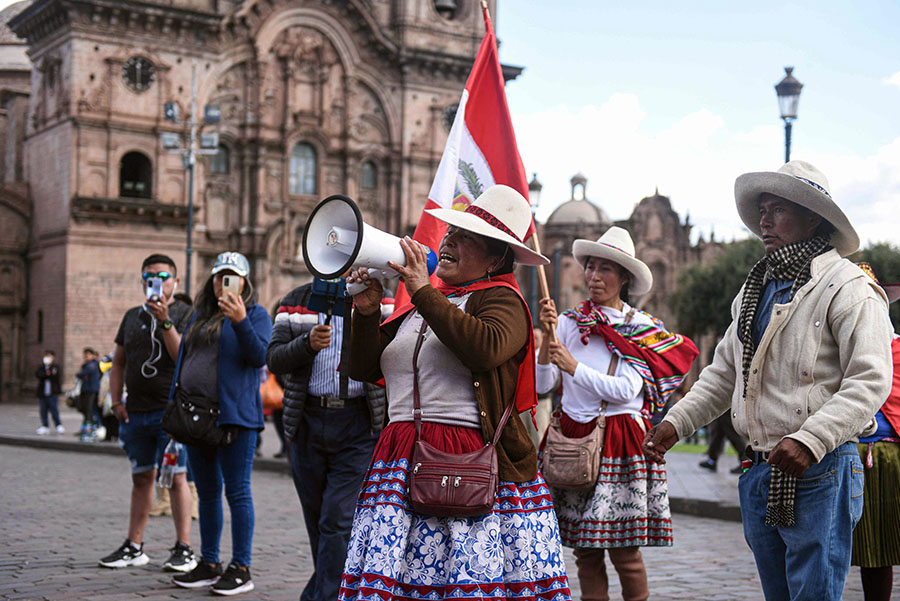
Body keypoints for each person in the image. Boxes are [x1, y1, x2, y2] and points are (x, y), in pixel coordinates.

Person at [642, 161, 893, 601]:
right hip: (761, 468)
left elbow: (869, 381)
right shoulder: (755, 288)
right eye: (762, 210)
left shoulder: (848, 286)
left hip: (820, 467)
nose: (764, 221)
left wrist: (811, 440)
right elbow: (724, 372)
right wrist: (677, 422)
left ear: (813, 218)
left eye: (778, 209)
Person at [340, 185, 571, 601]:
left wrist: (422, 290)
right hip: (399, 454)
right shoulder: (426, 304)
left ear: (495, 259)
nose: (447, 241)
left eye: (465, 237)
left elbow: (482, 348)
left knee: (461, 578)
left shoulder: (504, 302)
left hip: (464, 455)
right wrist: (368, 311)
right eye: (450, 232)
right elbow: (364, 368)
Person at [537, 226, 697, 601]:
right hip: (571, 440)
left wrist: (573, 366)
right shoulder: (568, 322)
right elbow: (544, 384)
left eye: (605, 269)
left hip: (619, 440)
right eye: (590, 267)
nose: (594, 276)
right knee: (584, 550)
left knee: (625, 551)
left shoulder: (641, 329)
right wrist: (546, 341)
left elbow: (627, 390)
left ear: (624, 277)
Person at [266, 278, 386, 601]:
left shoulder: (379, 299)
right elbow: (274, 358)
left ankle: (325, 595)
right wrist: (306, 345)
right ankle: (327, 589)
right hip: (307, 420)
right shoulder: (294, 301)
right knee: (317, 518)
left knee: (337, 519)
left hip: (358, 423)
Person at [171, 251, 272, 596]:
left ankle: (241, 567)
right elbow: (185, 359)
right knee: (208, 493)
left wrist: (241, 321)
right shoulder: (199, 315)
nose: (222, 282)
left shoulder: (256, 314)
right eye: (219, 276)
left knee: (237, 492)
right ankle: (209, 562)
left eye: (231, 276)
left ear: (244, 283)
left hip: (235, 418)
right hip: (196, 416)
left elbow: (259, 357)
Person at [99, 254, 196, 572]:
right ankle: (134, 545)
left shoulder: (185, 313)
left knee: (177, 478)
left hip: (170, 414)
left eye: (164, 276)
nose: (157, 281)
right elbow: (119, 361)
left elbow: (182, 356)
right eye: (151, 275)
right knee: (141, 477)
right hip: (135, 412)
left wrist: (165, 320)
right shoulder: (131, 316)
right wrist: (116, 401)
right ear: (142, 281)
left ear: (176, 282)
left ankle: (184, 548)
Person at [851, 268, 900, 601]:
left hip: (889, 455)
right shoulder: (836, 350)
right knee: (868, 548)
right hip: (848, 454)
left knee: (883, 546)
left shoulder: (896, 347)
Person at [35, 350, 64, 435]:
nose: (47, 358)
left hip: (52, 392)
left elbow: (55, 376)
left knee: (54, 409)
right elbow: (39, 375)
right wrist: (47, 374)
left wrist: (48, 374)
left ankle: (58, 425)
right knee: (43, 410)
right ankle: (45, 426)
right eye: (46, 356)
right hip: (42, 393)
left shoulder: (55, 367)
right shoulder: (41, 367)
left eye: (49, 356)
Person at [76, 348, 101, 433]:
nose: (86, 357)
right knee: (86, 410)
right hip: (86, 389)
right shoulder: (87, 365)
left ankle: (90, 428)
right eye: (85, 356)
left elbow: (81, 374)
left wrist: (82, 374)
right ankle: (86, 428)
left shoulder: (92, 365)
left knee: (89, 410)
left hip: (91, 390)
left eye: (87, 355)